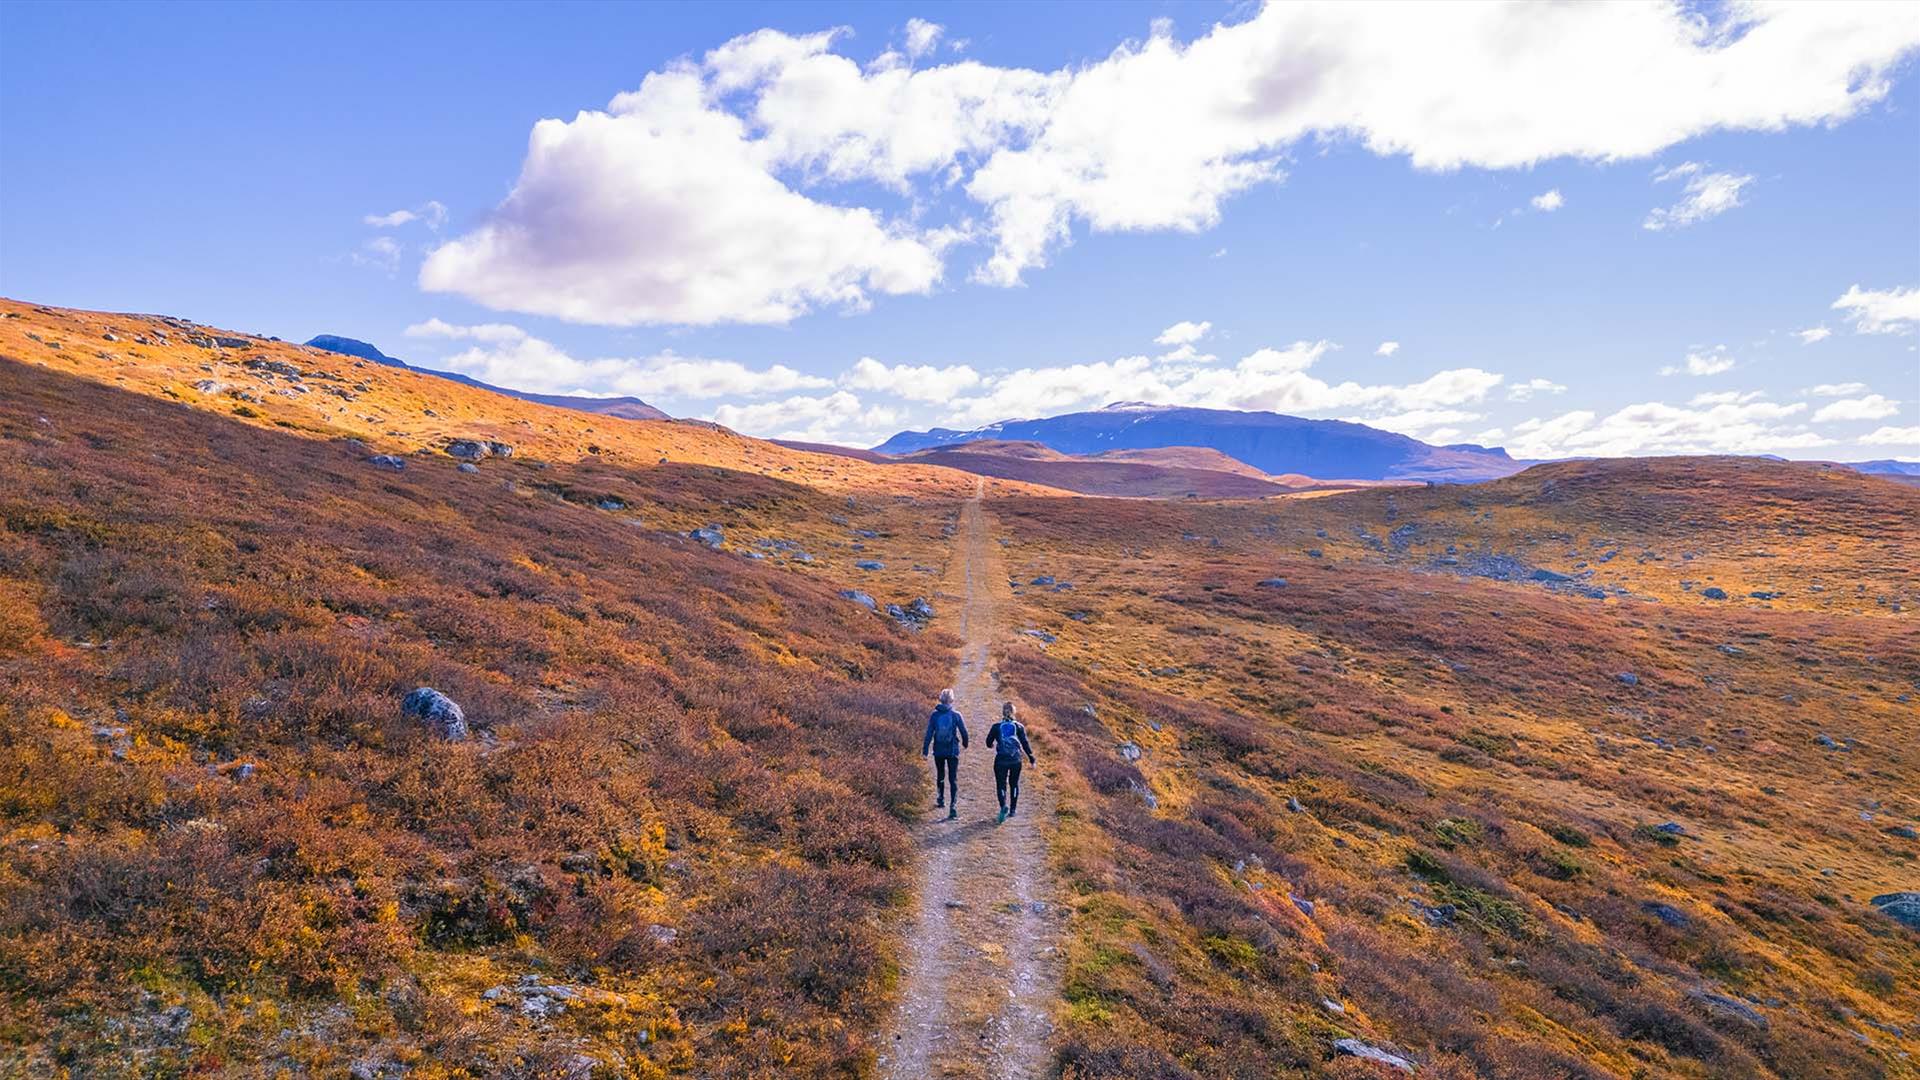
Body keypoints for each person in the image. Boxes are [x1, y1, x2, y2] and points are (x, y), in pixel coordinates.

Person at [984, 702, 1035, 824]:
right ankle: (1013, 810)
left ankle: (1003, 806)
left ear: (1002, 712)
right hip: (1016, 760)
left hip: (1001, 760)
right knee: (1014, 784)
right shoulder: (1019, 727)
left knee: (1001, 784)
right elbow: (1025, 744)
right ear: (1014, 712)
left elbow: (988, 742)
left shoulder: (996, 727)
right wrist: (1032, 759)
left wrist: (992, 744)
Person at [921, 688, 968, 820]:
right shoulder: (956, 715)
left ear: (940, 699)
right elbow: (964, 732)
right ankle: (953, 807)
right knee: (953, 779)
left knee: (940, 774)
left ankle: (941, 799)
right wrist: (965, 744)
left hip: (939, 750)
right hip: (952, 751)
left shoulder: (934, 715)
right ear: (952, 700)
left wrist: (925, 751)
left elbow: (929, 734)